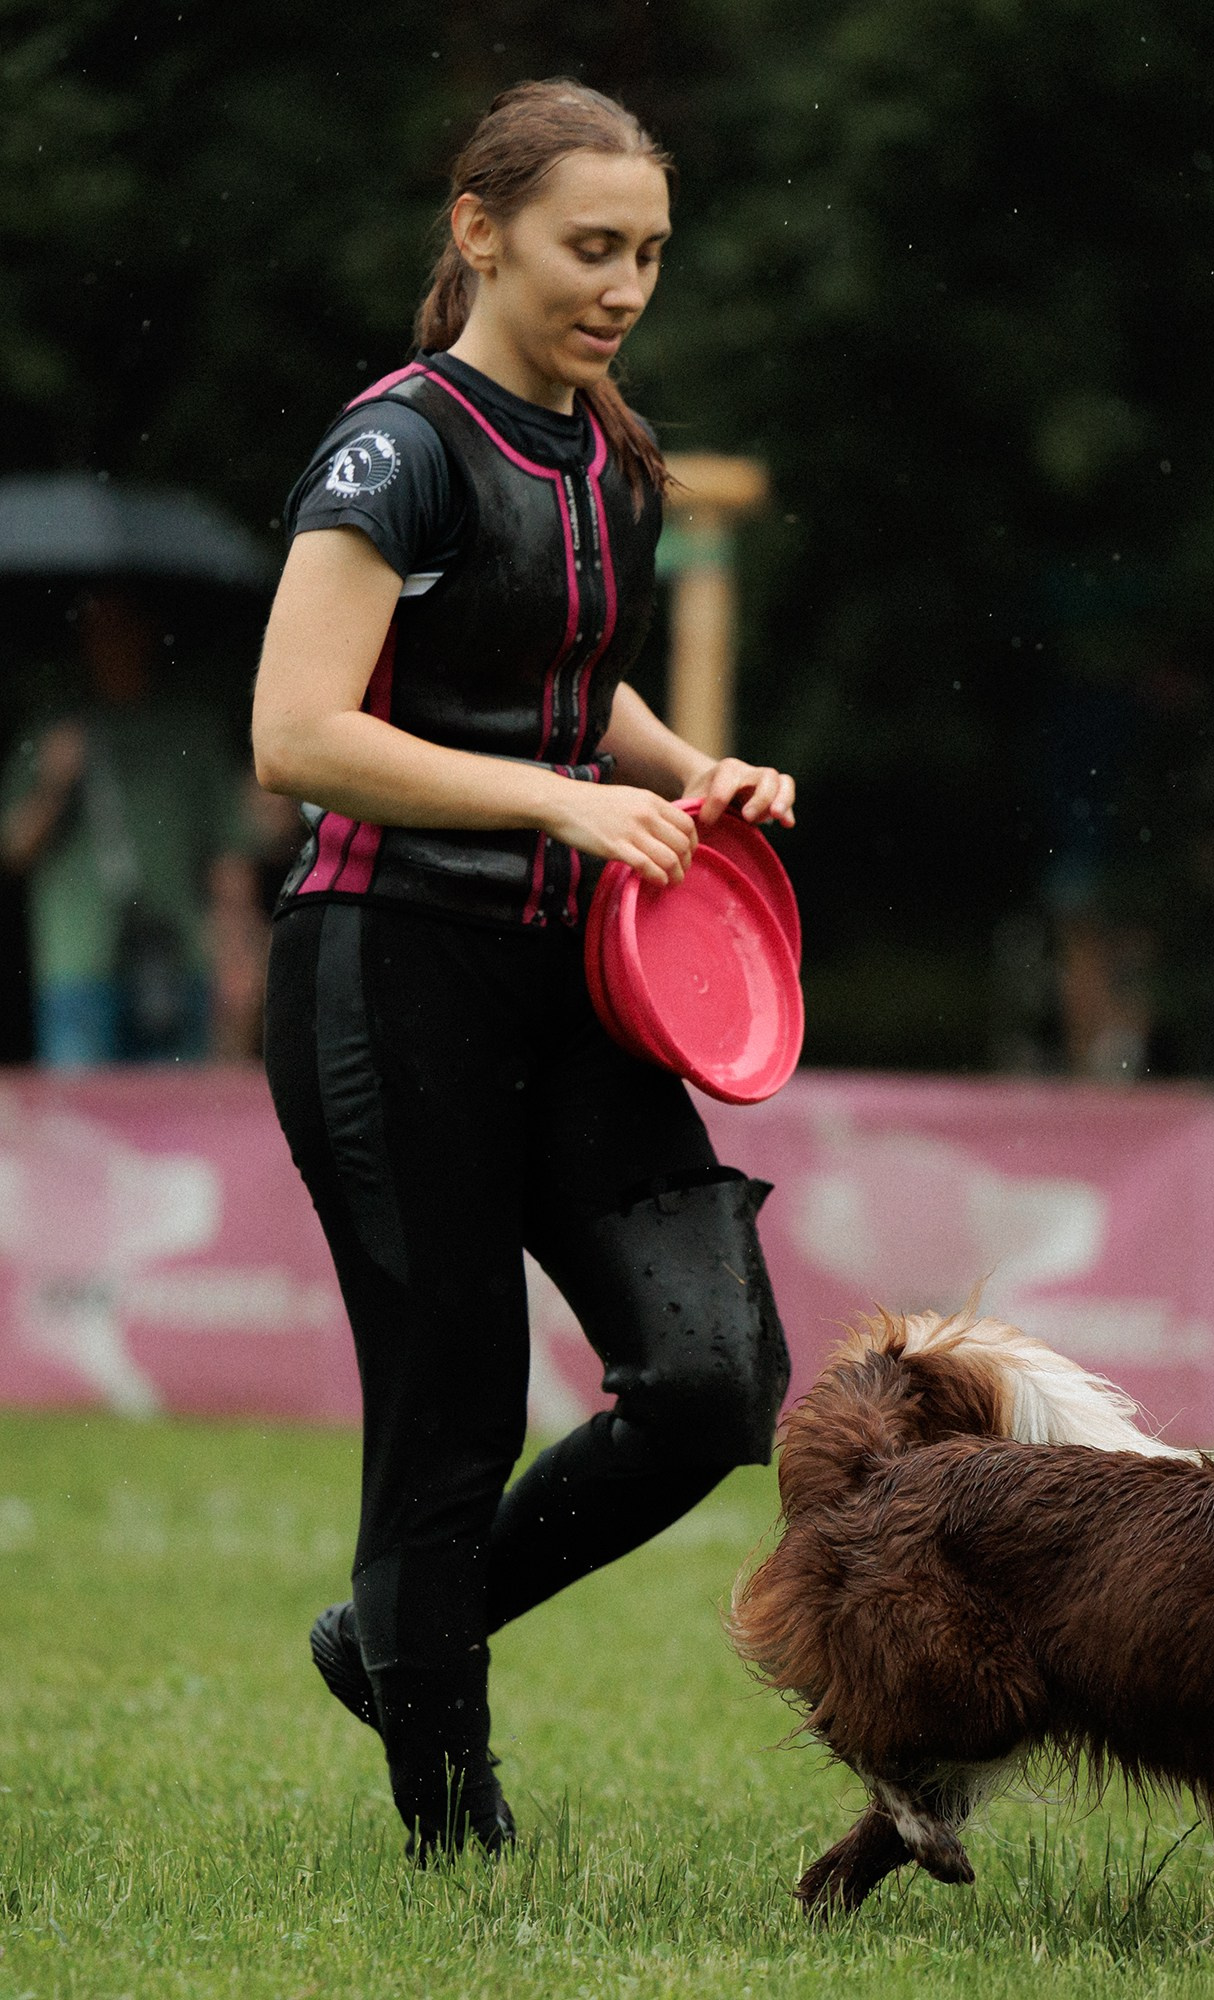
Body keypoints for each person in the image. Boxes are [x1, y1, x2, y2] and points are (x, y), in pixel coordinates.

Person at [251, 80, 797, 1863]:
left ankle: (390, 1638)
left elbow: (575, 690)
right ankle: (456, 1836)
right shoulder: (396, 447)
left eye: (648, 252)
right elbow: (298, 734)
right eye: (589, 246)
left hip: (575, 971)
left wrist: (684, 771)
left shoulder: (610, 455)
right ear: (481, 231)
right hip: (381, 967)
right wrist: (561, 801)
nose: (624, 283)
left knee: (714, 1380)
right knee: (456, 1405)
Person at [0, 588, 248, 1066]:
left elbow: (229, 851)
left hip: (181, 962)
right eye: (96, 630)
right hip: (78, 965)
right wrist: (53, 784)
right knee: (79, 1127)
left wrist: (235, 952)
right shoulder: (51, 729)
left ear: (148, 634)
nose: (110, 643)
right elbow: (13, 852)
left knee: (179, 1125)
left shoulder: (191, 729)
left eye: (121, 628)